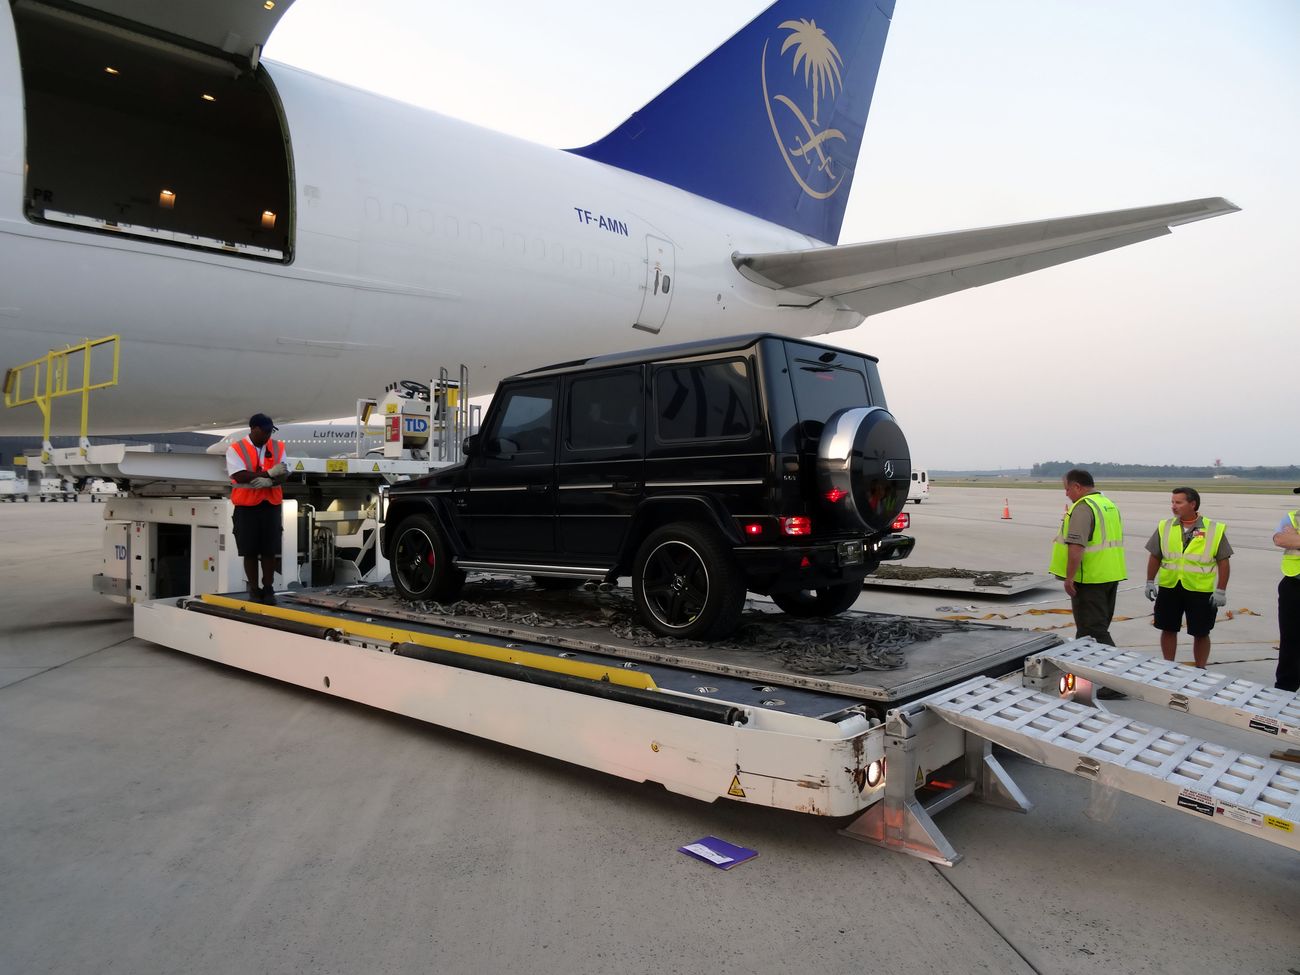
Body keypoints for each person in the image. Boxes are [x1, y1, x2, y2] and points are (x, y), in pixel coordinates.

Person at [1049, 469, 1127, 697]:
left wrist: (1069, 577)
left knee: (1093, 631)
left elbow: (1077, 546)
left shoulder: (1083, 507)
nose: (1065, 493)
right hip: (1109, 575)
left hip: (1090, 578)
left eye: (1066, 488)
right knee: (1091, 630)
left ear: (1077, 487)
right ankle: (1089, 676)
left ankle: (1118, 683)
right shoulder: (1107, 504)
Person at [1143, 487, 1231, 669]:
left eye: (1179, 502)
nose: (1174, 506)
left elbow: (1223, 561)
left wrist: (1221, 590)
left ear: (1193, 504)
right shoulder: (1165, 526)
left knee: (1201, 631)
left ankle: (1200, 667)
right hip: (1170, 586)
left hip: (1200, 589)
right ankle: (1168, 665)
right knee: (1168, 628)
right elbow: (1155, 556)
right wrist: (1150, 581)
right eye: (1172, 502)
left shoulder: (1214, 529)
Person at [226, 413, 290, 604]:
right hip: (247, 507)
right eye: (265, 431)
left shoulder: (278, 447)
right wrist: (269, 473)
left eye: (271, 431)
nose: (268, 435)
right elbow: (240, 475)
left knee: (269, 550)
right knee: (250, 551)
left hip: (270, 506)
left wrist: (270, 481)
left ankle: (268, 587)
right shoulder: (236, 449)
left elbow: (284, 473)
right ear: (254, 429)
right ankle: (254, 589)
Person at [1274, 487, 1300, 694]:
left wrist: (1297, 540)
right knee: (1290, 639)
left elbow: (1292, 540)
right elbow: (1280, 540)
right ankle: (1285, 687)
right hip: (1293, 584)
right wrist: (1290, 539)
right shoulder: (1293, 517)